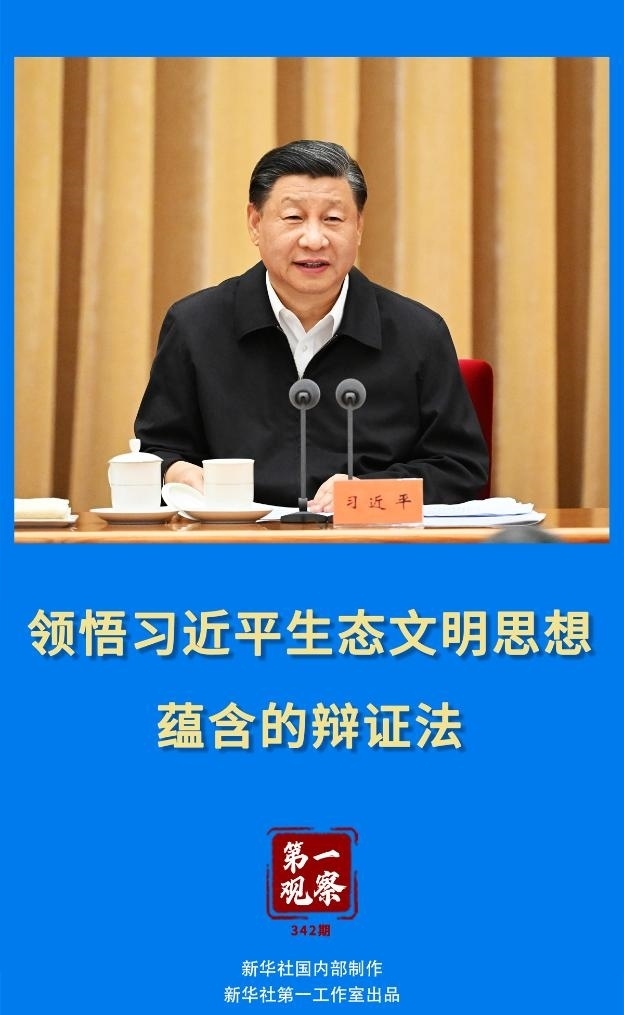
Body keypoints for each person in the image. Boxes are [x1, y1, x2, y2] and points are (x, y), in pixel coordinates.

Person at [134, 139, 488, 512]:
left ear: (359, 227)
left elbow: (461, 468)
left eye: (333, 219)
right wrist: (176, 473)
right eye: (293, 218)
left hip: (368, 541)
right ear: (255, 223)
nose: (314, 240)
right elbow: (157, 450)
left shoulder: (419, 334)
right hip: (238, 541)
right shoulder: (195, 326)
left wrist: (366, 494)